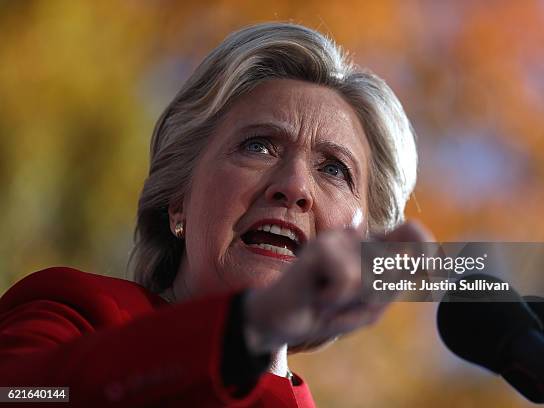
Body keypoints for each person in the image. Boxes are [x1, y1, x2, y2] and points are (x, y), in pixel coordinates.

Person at [0, 22, 425, 407]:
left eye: (334, 169)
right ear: (179, 199)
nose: (294, 186)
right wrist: (246, 328)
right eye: (258, 145)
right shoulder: (83, 311)